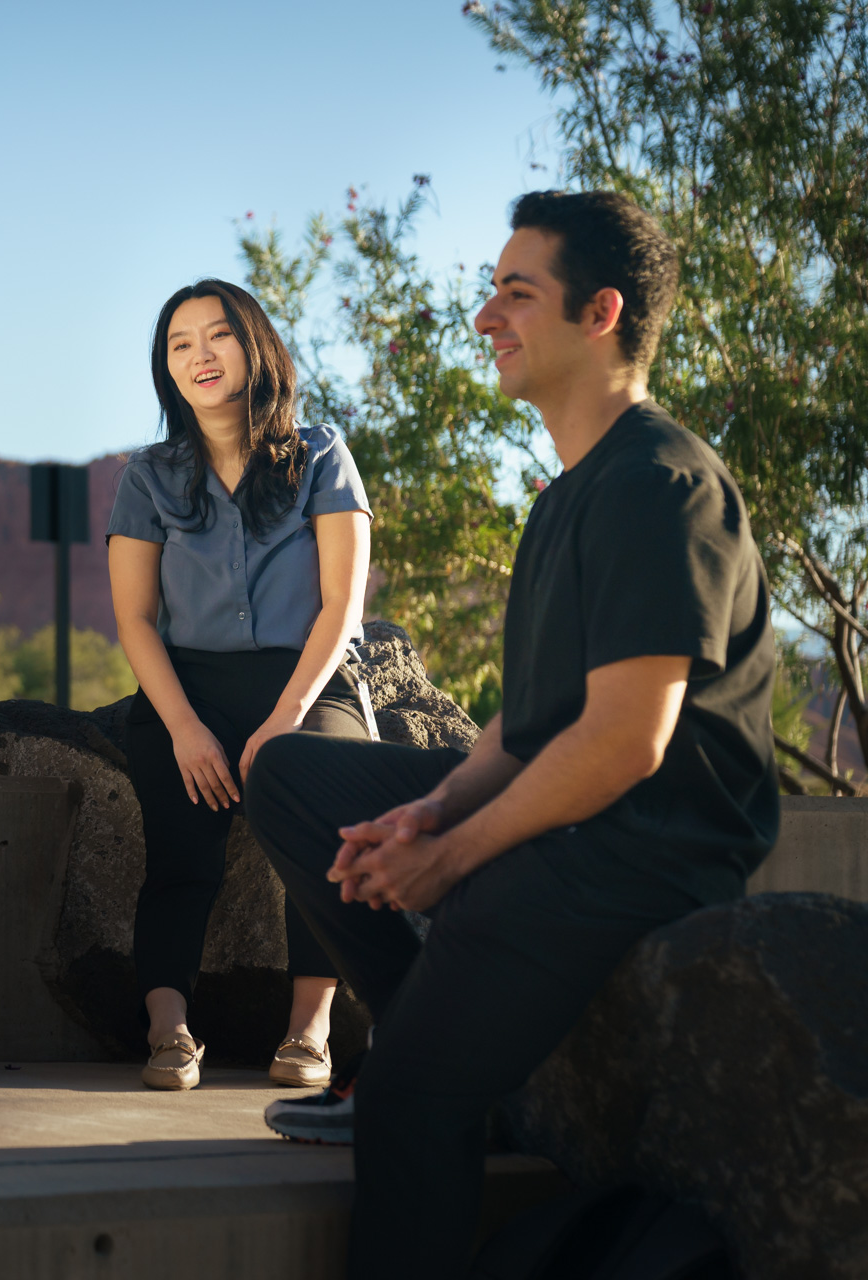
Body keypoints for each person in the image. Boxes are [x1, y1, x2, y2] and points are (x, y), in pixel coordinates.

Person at [248, 191, 777, 1279]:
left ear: (601, 313)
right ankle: (442, 1025)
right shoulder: (567, 495)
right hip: (570, 806)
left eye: (516, 291)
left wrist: (452, 855)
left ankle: (439, 1076)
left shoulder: (659, 484)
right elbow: (524, 725)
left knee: (406, 1098)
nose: (486, 315)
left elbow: (628, 742)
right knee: (295, 774)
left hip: (646, 844)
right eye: (491, 290)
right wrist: (428, 809)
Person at [107, 279, 374, 1093]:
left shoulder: (322, 454)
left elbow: (342, 605)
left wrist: (288, 718)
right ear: (167, 369)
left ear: (254, 347)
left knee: (332, 807)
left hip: (310, 679)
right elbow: (137, 621)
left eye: (217, 336)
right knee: (177, 829)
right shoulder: (148, 477)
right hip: (189, 686)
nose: (200, 356)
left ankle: (309, 1030)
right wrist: (186, 727)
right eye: (179, 344)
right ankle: (168, 1027)